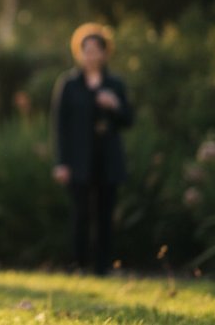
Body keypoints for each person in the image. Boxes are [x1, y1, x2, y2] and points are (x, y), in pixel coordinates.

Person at [51, 23, 133, 275]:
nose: (91, 56)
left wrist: (115, 105)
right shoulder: (69, 84)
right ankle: (78, 264)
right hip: (78, 160)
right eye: (86, 50)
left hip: (107, 158)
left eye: (96, 50)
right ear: (80, 52)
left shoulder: (114, 84)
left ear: (105, 53)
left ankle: (102, 267)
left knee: (105, 216)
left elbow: (128, 120)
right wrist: (61, 162)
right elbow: (59, 126)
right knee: (80, 214)